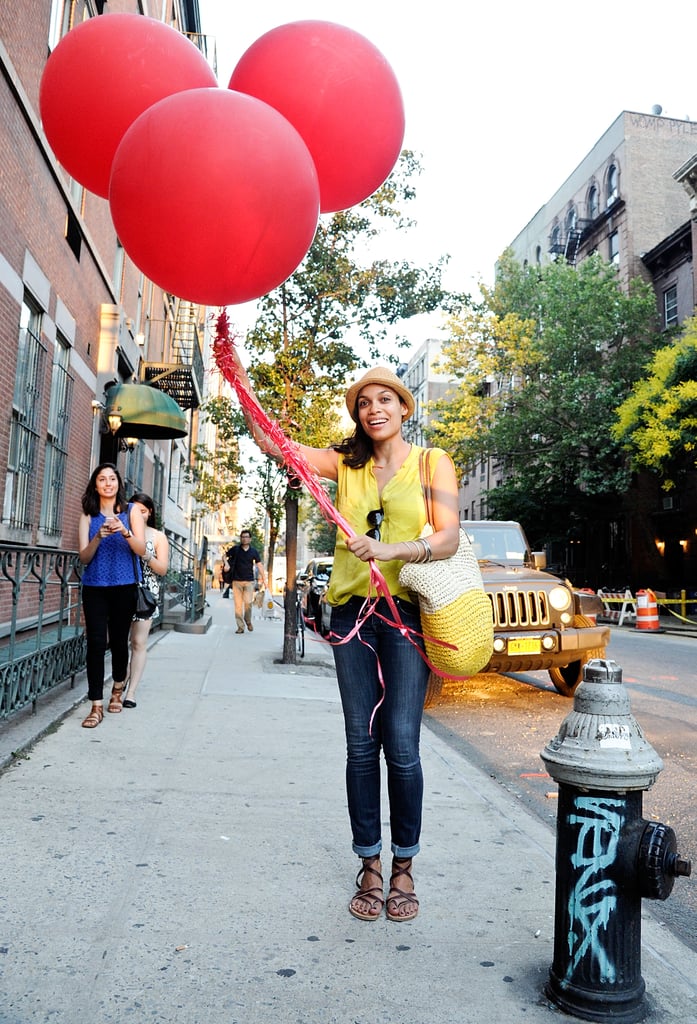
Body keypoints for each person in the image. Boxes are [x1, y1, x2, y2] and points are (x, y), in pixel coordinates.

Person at [232, 355, 460, 922]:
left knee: (402, 745)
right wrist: (235, 376)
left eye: (384, 399)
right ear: (357, 415)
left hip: (405, 614)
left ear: (404, 407)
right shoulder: (346, 464)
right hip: (350, 613)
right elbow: (273, 444)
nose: (374, 409)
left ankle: (404, 863)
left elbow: (451, 538)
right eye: (363, 402)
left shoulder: (433, 462)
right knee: (361, 743)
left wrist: (393, 550)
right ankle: (370, 862)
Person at [78, 462, 146, 728]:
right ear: (95, 485)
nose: (107, 483)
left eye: (112, 479)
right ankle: (96, 704)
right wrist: (99, 537)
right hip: (94, 586)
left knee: (119, 641)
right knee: (95, 643)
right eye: (102, 479)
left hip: (123, 585)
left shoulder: (131, 512)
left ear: (118, 483)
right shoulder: (88, 515)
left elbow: (140, 550)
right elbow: (84, 557)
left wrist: (125, 531)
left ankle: (118, 687)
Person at [124, 492, 170, 709]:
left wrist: (147, 556)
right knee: (118, 642)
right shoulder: (124, 531)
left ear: (150, 512)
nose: (139, 514)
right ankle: (120, 681)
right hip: (121, 590)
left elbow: (162, 569)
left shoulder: (158, 536)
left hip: (145, 594)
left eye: (143, 511)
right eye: (134, 510)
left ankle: (131, 691)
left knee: (138, 642)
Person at [226, 530, 267, 633]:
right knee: (238, 605)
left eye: (246, 537)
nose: (244, 538)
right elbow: (224, 556)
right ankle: (240, 627)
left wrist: (264, 579)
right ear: (241, 538)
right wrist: (226, 564)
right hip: (236, 581)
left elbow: (259, 565)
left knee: (248, 603)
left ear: (250, 539)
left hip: (249, 581)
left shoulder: (253, 551)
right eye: (243, 537)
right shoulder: (235, 549)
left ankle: (248, 620)